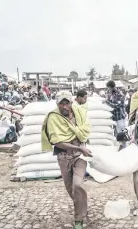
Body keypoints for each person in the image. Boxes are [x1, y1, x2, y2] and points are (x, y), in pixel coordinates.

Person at [41, 91, 92, 229]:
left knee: (77, 185)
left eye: (67, 103)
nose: (64, 106)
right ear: (57, 104)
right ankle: (82, 208)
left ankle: (78, 220)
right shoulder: (53, 118)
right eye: (61, 103)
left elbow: (85, 130)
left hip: (79, 156)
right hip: (63, 157)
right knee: (71, 189)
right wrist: (80, 148)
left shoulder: (79, 113)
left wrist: (82, 145)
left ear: (71, 103)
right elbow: (57, 142)